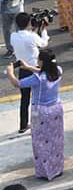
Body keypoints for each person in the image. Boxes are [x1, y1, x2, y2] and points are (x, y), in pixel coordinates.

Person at [4, 49, 63, 179]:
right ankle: (57, 167)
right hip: (56, 109)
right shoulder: (58, 70)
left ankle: (45, 171)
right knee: (55, 139)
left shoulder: (37, 78)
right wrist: (29, 67)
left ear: (41, 62)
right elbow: (42, 71)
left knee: (41, 141)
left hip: (41, 112)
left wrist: (10, 73)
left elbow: (17, 84)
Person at [9, 12, 49, 133]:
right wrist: (43, 30)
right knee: (41, 96)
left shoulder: (13, 36)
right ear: (29, 23)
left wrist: (34, 29)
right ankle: (42, 121)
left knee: (25, 98)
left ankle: (23, 125)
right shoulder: (32, 36)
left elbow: (26, 40)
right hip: (35, 69)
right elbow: (43, 44)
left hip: (22, 69)